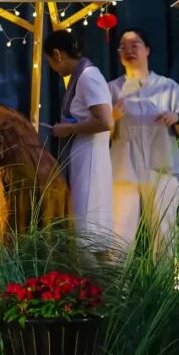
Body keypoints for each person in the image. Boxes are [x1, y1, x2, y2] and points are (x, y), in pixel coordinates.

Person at [108, 28, 179, 259]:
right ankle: (115, 282)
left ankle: (164, 282)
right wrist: (112, 117)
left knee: (165, 234)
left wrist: (176, 118)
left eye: (134, 44)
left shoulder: (168, 87)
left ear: (147, 50)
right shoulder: (112, 88)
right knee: (119, 234)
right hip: (123, 170)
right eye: (123, 46)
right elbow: (103, 133)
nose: (128, 50)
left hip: (161, 168)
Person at [0, 84, 70, 244]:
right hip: (52, 175)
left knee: (18, 242)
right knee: (52, 241)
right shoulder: (13, 114)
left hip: (23, 182)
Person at [44, 29, 115, 252]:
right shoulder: (84, 75)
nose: (52, 68)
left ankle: (93, 276)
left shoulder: (87, 77)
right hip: (86, 156)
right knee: (88, 233)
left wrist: (69, 128)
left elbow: (106, 121)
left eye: (50, 62)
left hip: (89, 160)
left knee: (86, 235)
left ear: (57, 54)